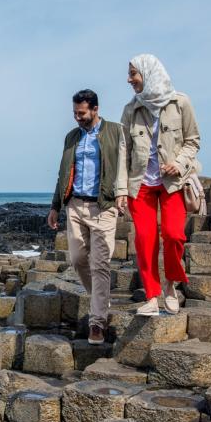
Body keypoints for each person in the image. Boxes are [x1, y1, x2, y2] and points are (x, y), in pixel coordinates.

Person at [45, 89, 127, 345]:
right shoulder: (72, 137)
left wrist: (125, 193)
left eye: (81, 113)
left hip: (104, 206)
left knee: (100, 264)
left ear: (95, 109)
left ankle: (97, 322)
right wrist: (55, 206)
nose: (77, 118)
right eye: (74, 114)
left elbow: (127, 163)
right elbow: (63, 173)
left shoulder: (115, 131)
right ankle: (100, 299)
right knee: (79, 260)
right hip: (75, 205)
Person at [122, 54, 200, 318]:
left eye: (134, 73)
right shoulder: (131, 110)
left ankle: (170, 285)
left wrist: (178, 163)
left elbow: (193, 141)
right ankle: (152, 296)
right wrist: (121, 189)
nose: (129, 79)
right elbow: (124, 152)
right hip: (140, 184)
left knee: (174, 234)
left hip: (173, 183)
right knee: (144, 241)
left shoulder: (181, 103)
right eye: (130, 74)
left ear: (149, 73)